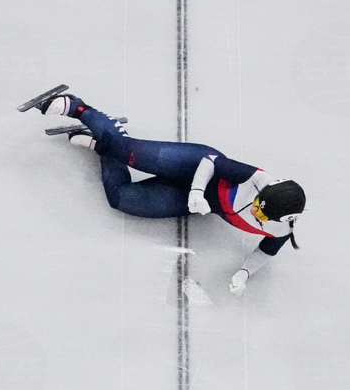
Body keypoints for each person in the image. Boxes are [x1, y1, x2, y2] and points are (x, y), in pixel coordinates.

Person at [33, 90, 306, 297]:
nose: (256, 209)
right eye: (258, 202)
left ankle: (100, 144)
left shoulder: (281, 231)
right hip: (195, 166)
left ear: (281, 221)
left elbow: (265, 253)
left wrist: (245, 273)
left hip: (190, 200)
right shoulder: (257, 178)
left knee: (121, 199)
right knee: (127, 151)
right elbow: (211, 162)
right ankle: (77, 107)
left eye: (262, 213)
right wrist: (198, 192)